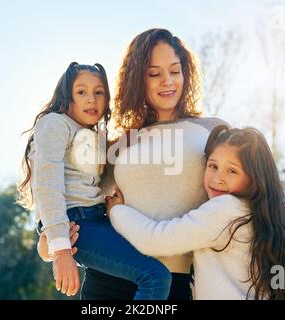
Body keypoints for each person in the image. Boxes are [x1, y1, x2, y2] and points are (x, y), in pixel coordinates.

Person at [79, 28, 229, 300]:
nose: (167, 81)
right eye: (154, 73)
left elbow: (250, 200)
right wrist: (53, 245)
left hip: (175, 281)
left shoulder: (214, 130)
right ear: (138, 79)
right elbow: (83, 203)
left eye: (174, 70)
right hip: (110, 280)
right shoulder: (121, 142)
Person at [18, 62, 172, 299]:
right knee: (155, 276)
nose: (91, 99)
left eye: (98, 92)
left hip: (98, 218)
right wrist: (61, 252)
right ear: (66, 97)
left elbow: (99, 179)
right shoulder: (55, 123)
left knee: (140, 271)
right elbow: (47, 184)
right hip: (76, 225)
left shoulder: (95, 136)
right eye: (81, 92)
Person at [106, 125, 285, 299]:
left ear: (254, 178)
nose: (217, 178)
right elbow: (280, 280)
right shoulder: (268, 218)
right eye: (213, 166)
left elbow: (156, 240)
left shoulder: (226, 209)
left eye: (232, 171)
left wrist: (117, 211)